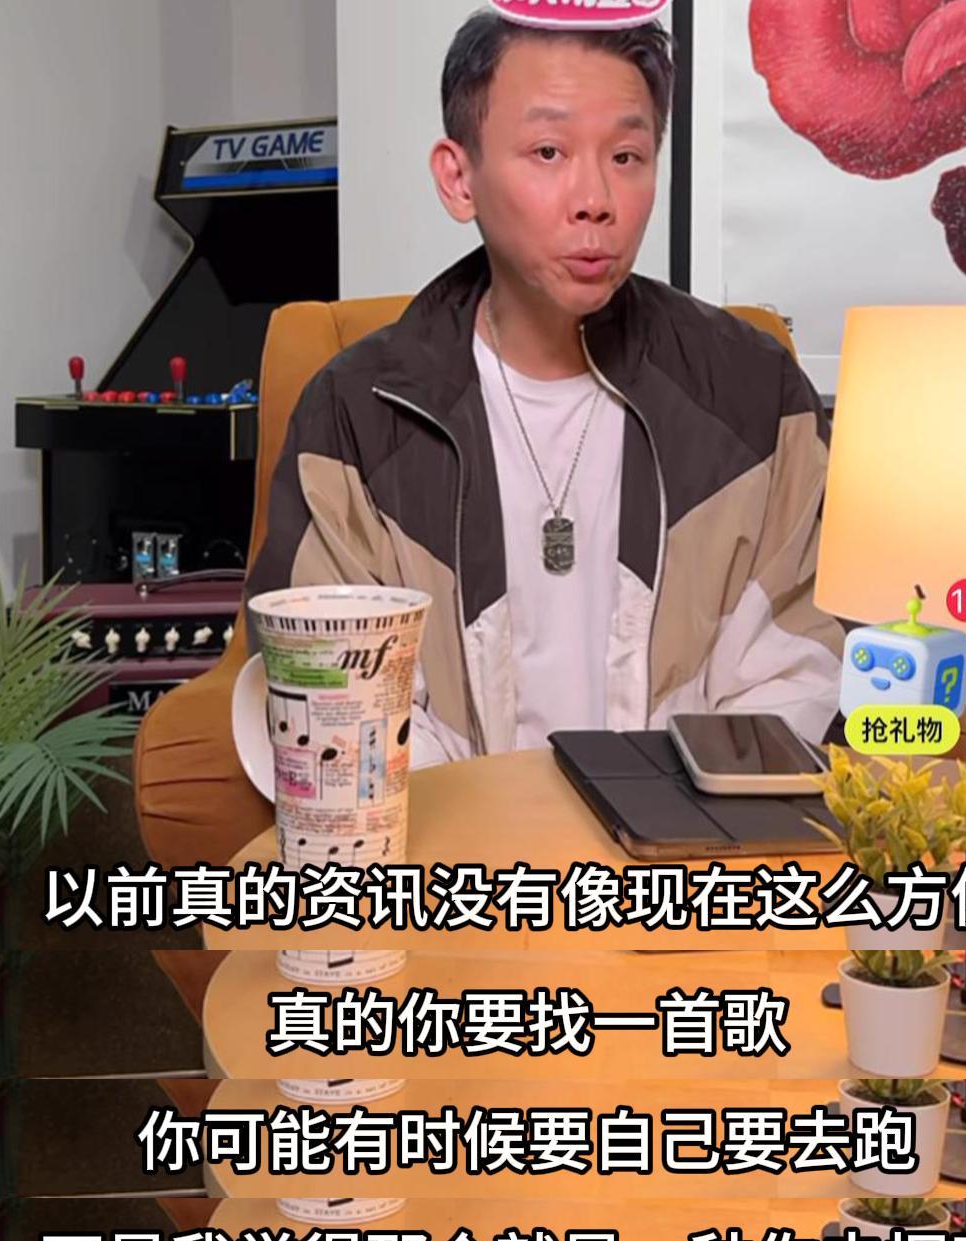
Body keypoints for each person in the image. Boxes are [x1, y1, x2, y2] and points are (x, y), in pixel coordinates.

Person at [245, 7, 843, 768]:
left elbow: (808, 665)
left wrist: (672, 811)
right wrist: (495, 823)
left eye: (626, 156)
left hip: (698, 835)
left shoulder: (755, 394)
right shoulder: (357, 413)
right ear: (458, 178)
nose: (595, 199)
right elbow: (324, 691)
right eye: (549, 151)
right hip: (452, 836)